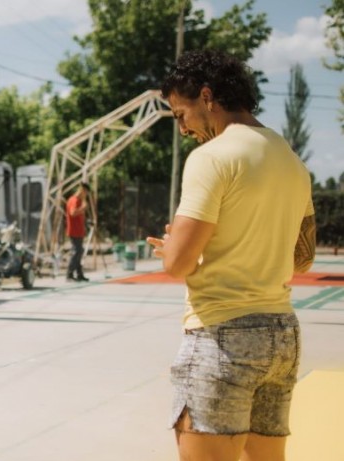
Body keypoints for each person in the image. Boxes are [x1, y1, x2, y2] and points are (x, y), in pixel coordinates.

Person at [146, 49, 315, 461]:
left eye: (181, 115)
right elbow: (303, 259)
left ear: (207, 97)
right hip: (282, 334)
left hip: (222, 336)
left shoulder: (211, 158)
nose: (182, 129)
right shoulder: (290, 159)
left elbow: (178, 265)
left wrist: (173, 249)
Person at [65, 183, 90, 282]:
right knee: (76, 252)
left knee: (79, 251)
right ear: (82, 190)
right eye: (86, 193)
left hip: (79, 230)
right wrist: (83, 208)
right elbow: (73, 212)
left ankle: (79, 274)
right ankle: (69, 274)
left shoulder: (78, 200)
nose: (86, 195)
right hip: (74, 230)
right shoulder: (74, 200)